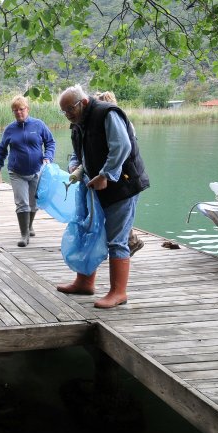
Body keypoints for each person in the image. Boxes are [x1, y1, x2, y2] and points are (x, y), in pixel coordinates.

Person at [57, 85, 150, 308]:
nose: (68, 114)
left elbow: (122, 146)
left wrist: (105, 174)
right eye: (64, 111)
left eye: (70, 109)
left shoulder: (107, 113)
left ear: (84, 102)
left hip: (122, 185)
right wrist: (75, 167)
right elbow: (78, 154)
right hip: (95, 186)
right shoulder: (78, 123)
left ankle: (119, 292)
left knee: (116, 240)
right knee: (88, 232)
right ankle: (84, 282)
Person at [0, 95, 56, 247]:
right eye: (15, 110)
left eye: (21, 109)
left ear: (27, 109)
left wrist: (48, 157)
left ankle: (29, 225)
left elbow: (50, 142)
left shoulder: (38, 125)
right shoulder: (10, 129)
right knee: (22, 203)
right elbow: (2, 149)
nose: (19, 113)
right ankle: (24, 235)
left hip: (37, 171)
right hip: (16, 172)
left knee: (33, 204)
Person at [94, 90, 145, 256]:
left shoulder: (120, 122)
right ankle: (131, 242)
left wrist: (106, 173)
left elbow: (124, 151)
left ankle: (128, 244)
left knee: (119, 227)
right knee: (118, 221)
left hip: (124, 180)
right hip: (112, 179)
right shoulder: (103, 123)